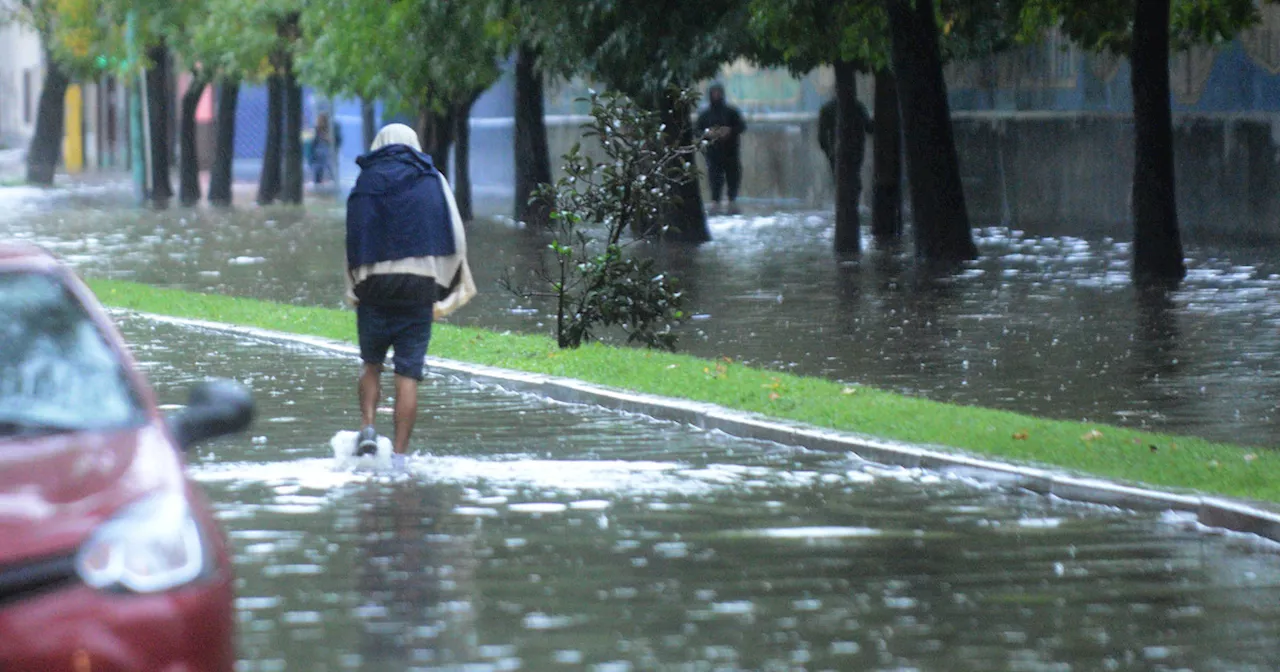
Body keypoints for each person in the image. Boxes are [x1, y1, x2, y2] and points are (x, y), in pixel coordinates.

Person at [345, 123, 477, 469]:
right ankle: (401, 458)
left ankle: (368, 427)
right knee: (408, 373)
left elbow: (354, 236)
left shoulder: (367, 180)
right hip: (419, 289)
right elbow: (454, 233)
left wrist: (354, 284)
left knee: (371, 363)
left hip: (374, 287)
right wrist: (445, 283)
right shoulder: (432, 179)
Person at [695, 83, 747, 214]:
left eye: (718, 92)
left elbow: (741, 127)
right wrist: (708, 134)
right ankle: (715, 202)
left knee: (733, 176)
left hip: (731, 152)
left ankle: (732, 201)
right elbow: (697, 130)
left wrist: (729, 131)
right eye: (714, 93)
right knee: (714, 177)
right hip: (713, 153)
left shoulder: (731, 112)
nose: (716, 95)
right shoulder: (705, 115)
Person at [817, 97, 874, 192]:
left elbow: (821, 137)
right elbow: (869, 128)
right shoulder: (857, 106)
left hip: (837, 151)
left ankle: (844, 202)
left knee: (841, 180)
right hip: (855, 150)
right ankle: (851, 201)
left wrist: (829, 152)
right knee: (853, 179)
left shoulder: (828, 109)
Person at [311, 112, 343, 185]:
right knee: (318, 167)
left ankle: (333, 181)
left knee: (329, 165)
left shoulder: (333, 128)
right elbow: (314, 143)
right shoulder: (317, 129)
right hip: (318, 154)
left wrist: (327, 139)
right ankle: (318, 182)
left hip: (328, 152)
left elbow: (336, 141)